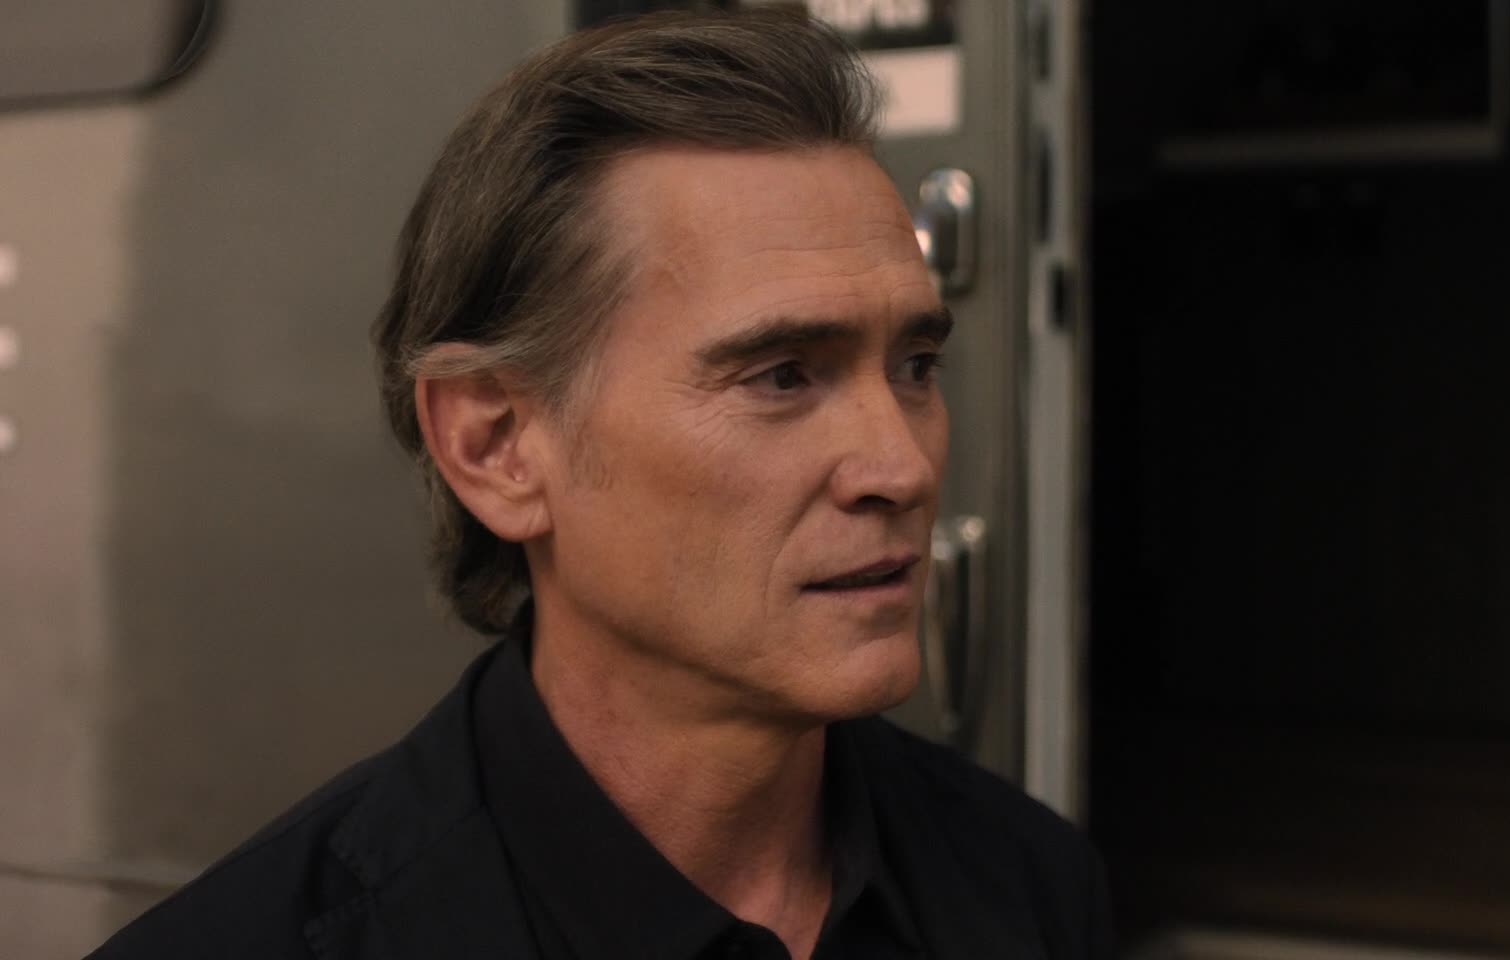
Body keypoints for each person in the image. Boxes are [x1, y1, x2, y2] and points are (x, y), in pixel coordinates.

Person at [89, 9, 1111, 959]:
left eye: (916, 366)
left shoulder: (1026, 883)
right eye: (781, 377)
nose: (901, 467)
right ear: (497, 446)